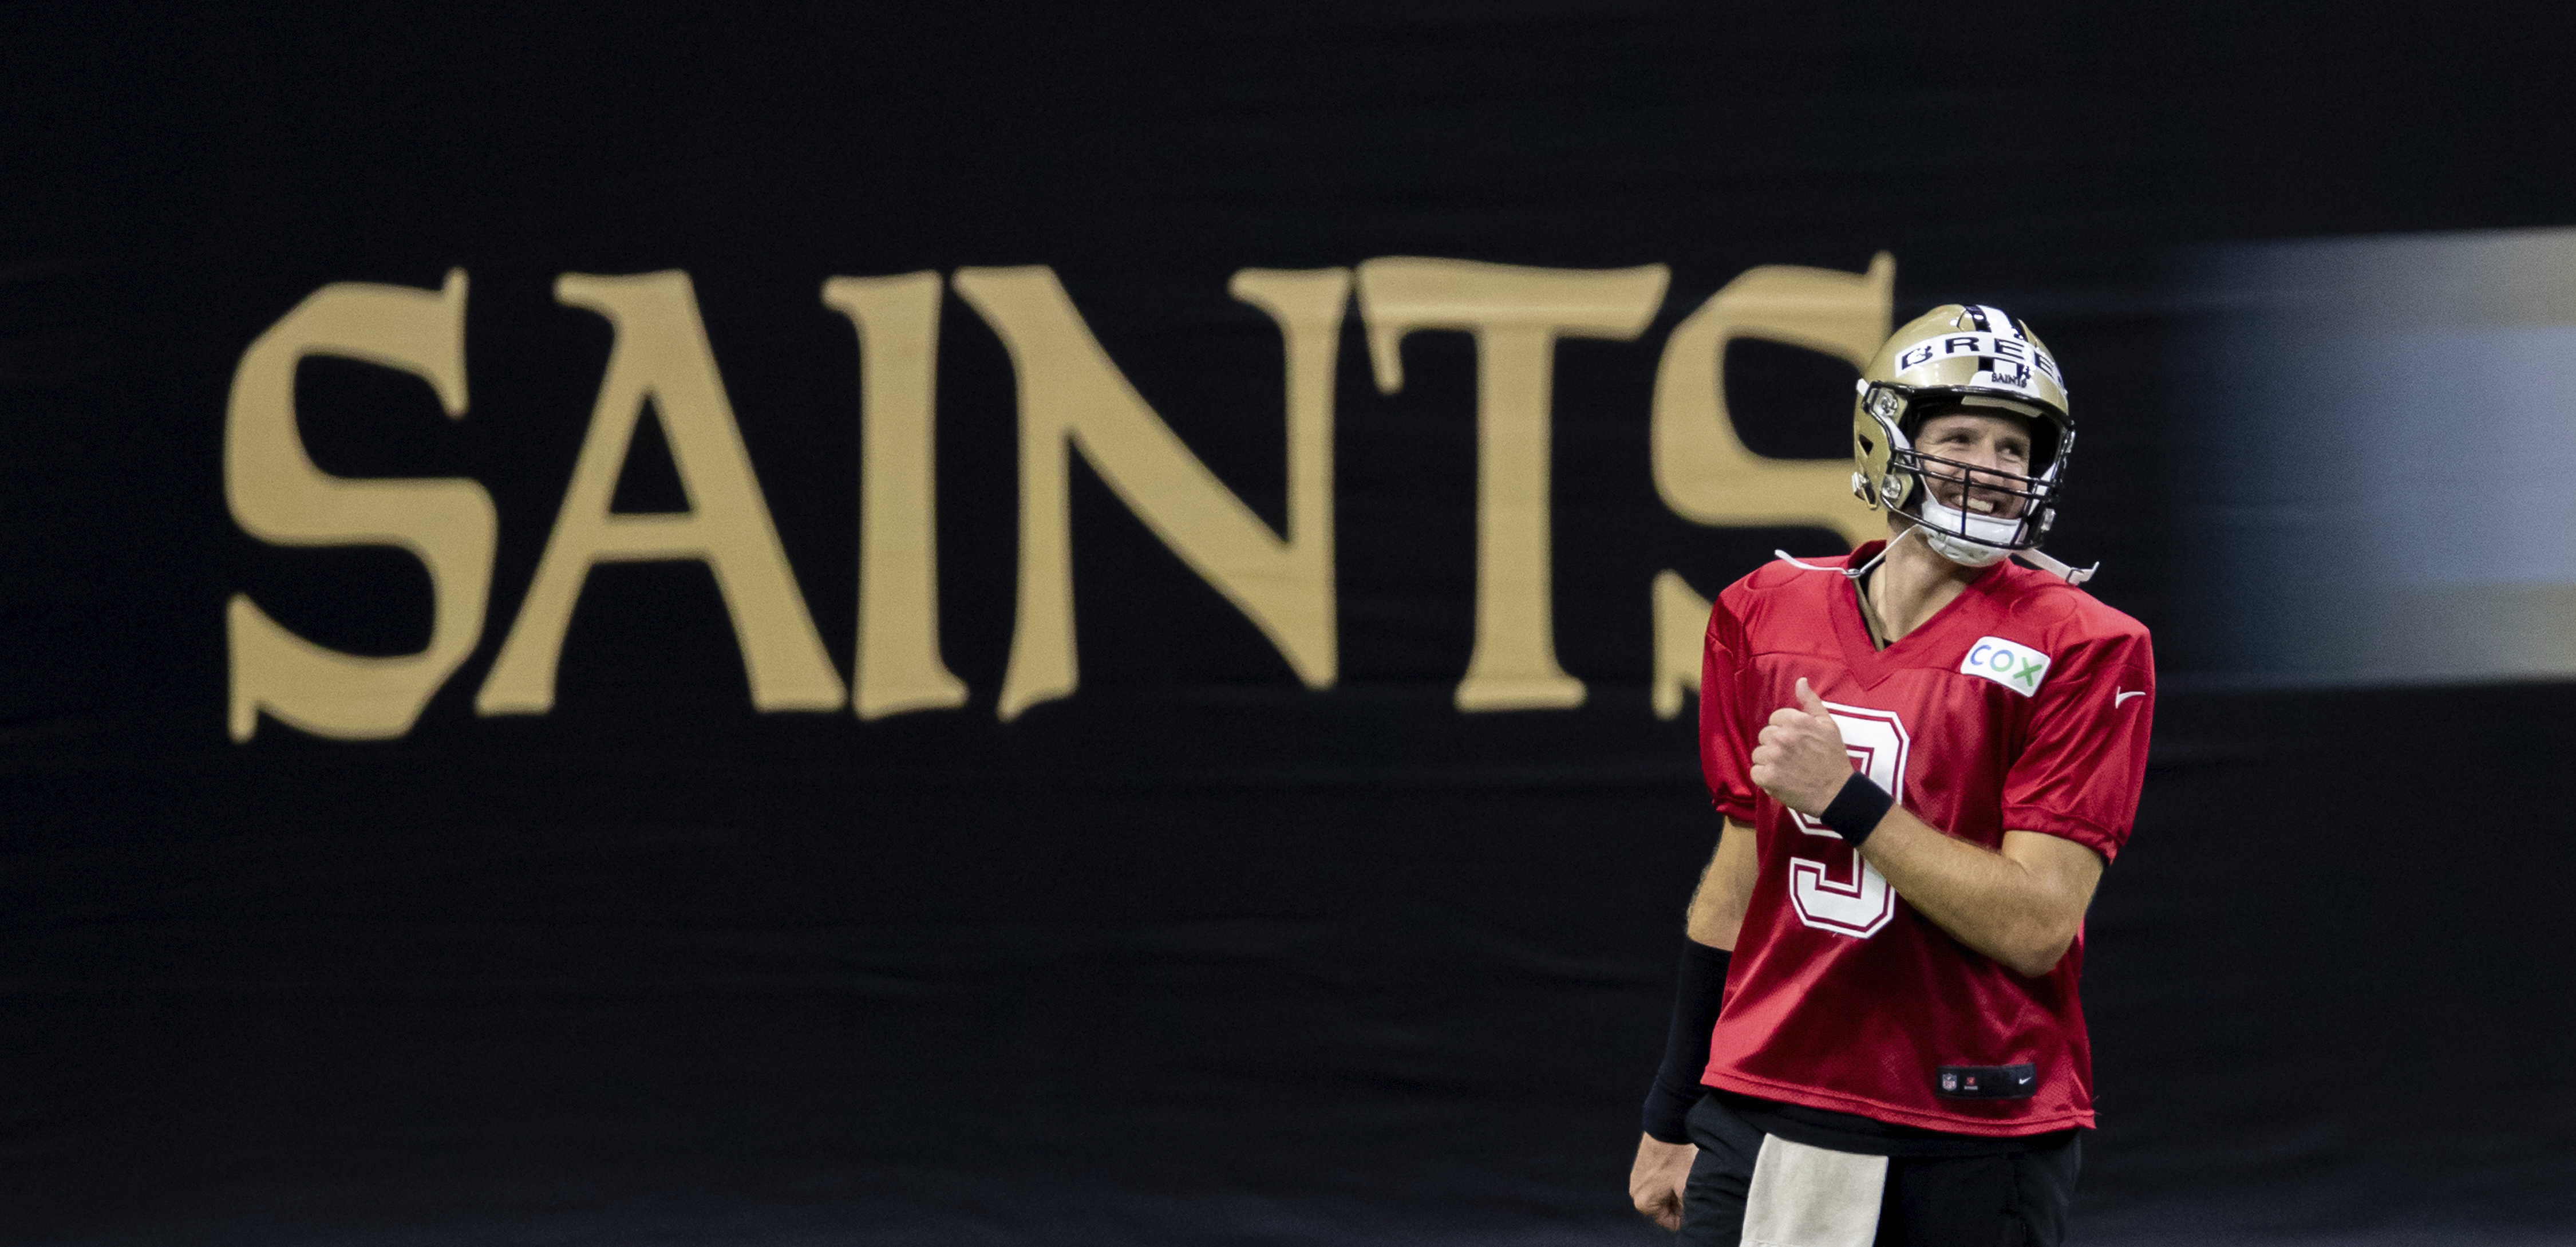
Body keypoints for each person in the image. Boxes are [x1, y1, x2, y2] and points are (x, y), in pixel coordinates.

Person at [1627, 305, 2155, 1246]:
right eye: (1959, 435)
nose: (1991, 467)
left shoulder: (2087, 645)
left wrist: (1850, 800)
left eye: (2013, 446)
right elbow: (1737, 883)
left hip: (1969, 1125)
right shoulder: (1766, 610)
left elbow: (2037, 924)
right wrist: (1672, 1108)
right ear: (1890, 439)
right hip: (1768, 1098)